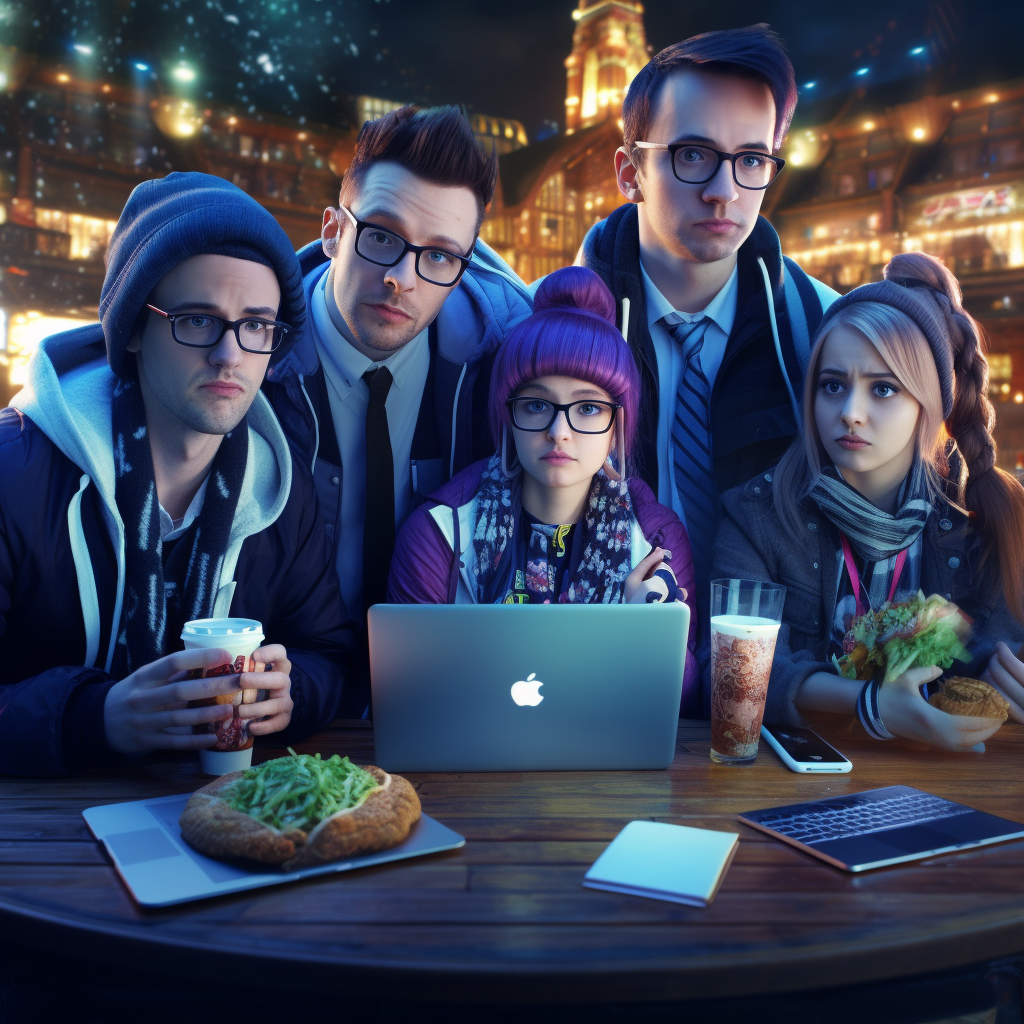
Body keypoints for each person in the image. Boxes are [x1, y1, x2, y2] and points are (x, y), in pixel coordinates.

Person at [0, 172, 356, 776]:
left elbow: (327, 654)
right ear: (134, 327)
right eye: (197, 319)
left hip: (225, 821)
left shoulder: (280, 486)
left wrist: (288, 695)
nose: (230, 353)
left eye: (256, 325)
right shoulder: (15, 473)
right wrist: (96, 717)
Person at [576, 23, 838, 622]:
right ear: (629, 171)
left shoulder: (821, 329)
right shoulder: (546, 330)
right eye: (693, 155)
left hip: (776, 676)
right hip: (598, 658)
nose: (724, 191)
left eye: (751, 160)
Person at [711, 251, 1024, 750]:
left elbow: (1001, 648)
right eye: (832, 386)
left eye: (883, 389)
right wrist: (867, 703)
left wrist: (1001, 674)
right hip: (787, 781)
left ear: (931, 404)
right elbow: (729, 668)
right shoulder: (756, 514)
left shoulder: (984, 519)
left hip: (951, 785)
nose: (850, 413)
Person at [264, 105, 533, 633]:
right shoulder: (249, 354)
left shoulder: (503, 371)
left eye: (438, 257)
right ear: (333, 231)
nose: (401, 277)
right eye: (383, 236)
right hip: (283, 680)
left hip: (448, 679)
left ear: (462, 269)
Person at [388, 267, 700, 714]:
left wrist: (646, 631)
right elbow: (407, 695)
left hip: (608, 774)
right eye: (536, 405)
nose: (559, 432)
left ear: (618, 428)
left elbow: (683, 701)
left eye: (588, 408)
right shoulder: (439, 532)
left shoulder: (655, 540)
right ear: (506, 416)